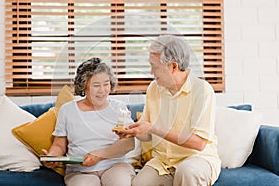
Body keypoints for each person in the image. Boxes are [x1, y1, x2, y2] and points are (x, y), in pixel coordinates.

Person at [114, 35, 221, 186]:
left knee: (187, 171)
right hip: (163, 161)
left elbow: (198, 143)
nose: (151, 72)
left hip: (197, 159)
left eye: (155, 67)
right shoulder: (154, 88)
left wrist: (153, 128)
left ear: (173, 67)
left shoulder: (202, 91)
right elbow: (147, 135)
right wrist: (134, 131)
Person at [42, 57, 136, 186]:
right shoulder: (67, 110)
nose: (102, 90)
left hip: (115, 165)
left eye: (106, 84)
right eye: (96, 85)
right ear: (83, 86)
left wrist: (100, 155)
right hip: (80, 171)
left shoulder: (118, 108)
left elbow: (128, 143)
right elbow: (59, 145)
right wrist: (52, 157)